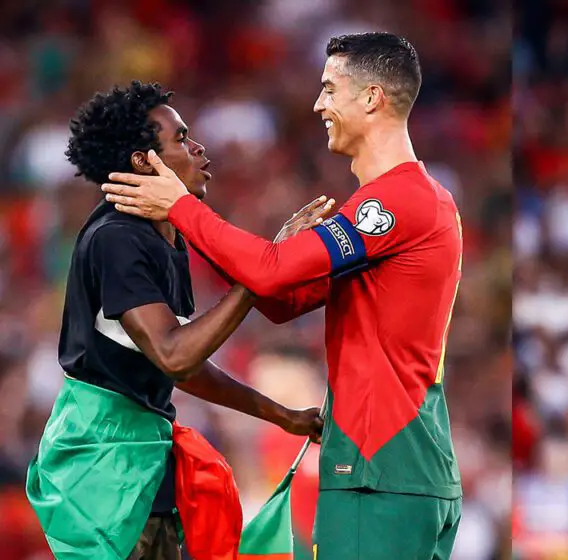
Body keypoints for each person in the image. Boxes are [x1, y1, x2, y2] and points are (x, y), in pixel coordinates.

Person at [100, 33, 463, 559]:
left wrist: (181, 208)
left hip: (378, 463)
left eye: (330, 90)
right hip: (406, 463)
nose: (318, 105)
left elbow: (270, 276)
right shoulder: (411, 202)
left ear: (371, 98)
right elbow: (279, 298)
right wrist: (266, 257)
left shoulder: (397, 201)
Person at [25, 81, 328, 560]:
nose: (198, 146)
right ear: (147, 162)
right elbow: (174, 355)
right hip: (103, 465)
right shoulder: (117, 237)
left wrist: (282, 415)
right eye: (182, 138)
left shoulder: (166, 238)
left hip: (143, 454)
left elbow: (179, 366)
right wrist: (259, 273)